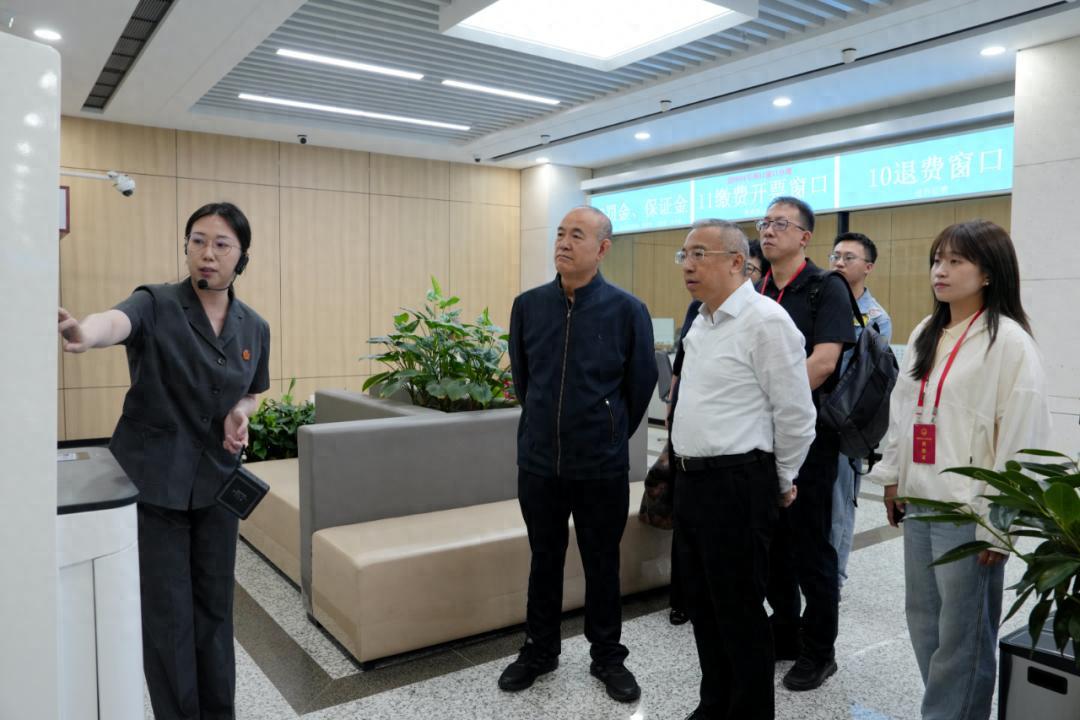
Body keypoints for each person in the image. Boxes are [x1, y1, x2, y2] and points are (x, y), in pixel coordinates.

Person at [57, 202, 270, 720]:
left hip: (217, 485)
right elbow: (117, 322)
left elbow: (252, 391)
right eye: (198, 241)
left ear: (241, 256)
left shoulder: (254, 326)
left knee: (215, 607)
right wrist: (86, 333)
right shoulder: (156, 302)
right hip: (156, 483)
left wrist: (240, 413)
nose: (207, 253)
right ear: (186, 246)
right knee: (168, 614)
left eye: (221, 244)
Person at [866, 220, 1050, 720]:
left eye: (955, 261)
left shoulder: (1008, 341)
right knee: (925, 623)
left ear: (988, 273)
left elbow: (1022, 438)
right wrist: (893, 478)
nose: (940, 271)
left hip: (970, 514)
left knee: (962, 636)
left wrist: (999, 525)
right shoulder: (926, 332)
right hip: (922, 500)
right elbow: (904, 412)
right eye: (936, 260)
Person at [501, 206, 657, 703]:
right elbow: (524, 379)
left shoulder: (627, 310)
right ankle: (539, 650)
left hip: (600, 466)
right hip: (539, 463)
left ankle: (607, 656)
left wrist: (608, 434)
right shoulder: (528, 306)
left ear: (603, 249)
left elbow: (640, 383)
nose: (564, 243)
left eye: (577, 235)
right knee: (543, 558)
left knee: (602, 562)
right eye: (560, 234)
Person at [671, 219, 816, 720]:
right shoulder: (701, 320)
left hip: (736, 483)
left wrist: (781, 478)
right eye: (684, 255)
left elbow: (795, 414)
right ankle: (714, 705)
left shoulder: (766, 321)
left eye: (700, 254)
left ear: (737, 262)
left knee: (738, 612)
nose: (688, 265)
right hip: (692, 482)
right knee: (703, 607)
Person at [757, 196, 855, 691]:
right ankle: (785, 632)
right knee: (772, 543)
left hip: (811, 438)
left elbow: (823, 362)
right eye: (765, 222)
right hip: (760, 438)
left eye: (781, 223)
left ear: (804, 236)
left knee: (810, 546)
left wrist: (769, 402)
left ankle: (820, 650)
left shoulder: (825, 287)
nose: (768, 231)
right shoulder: (756, 289)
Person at [828, 232, 892, 590]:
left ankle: (834, 578)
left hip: (844, 424)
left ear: (868, 267)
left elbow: (868, 382)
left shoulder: (876, 318)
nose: (839, 262)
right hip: (812, 419)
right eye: (835, 256)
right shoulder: (824, 303)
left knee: (839, 503)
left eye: (848, 257)